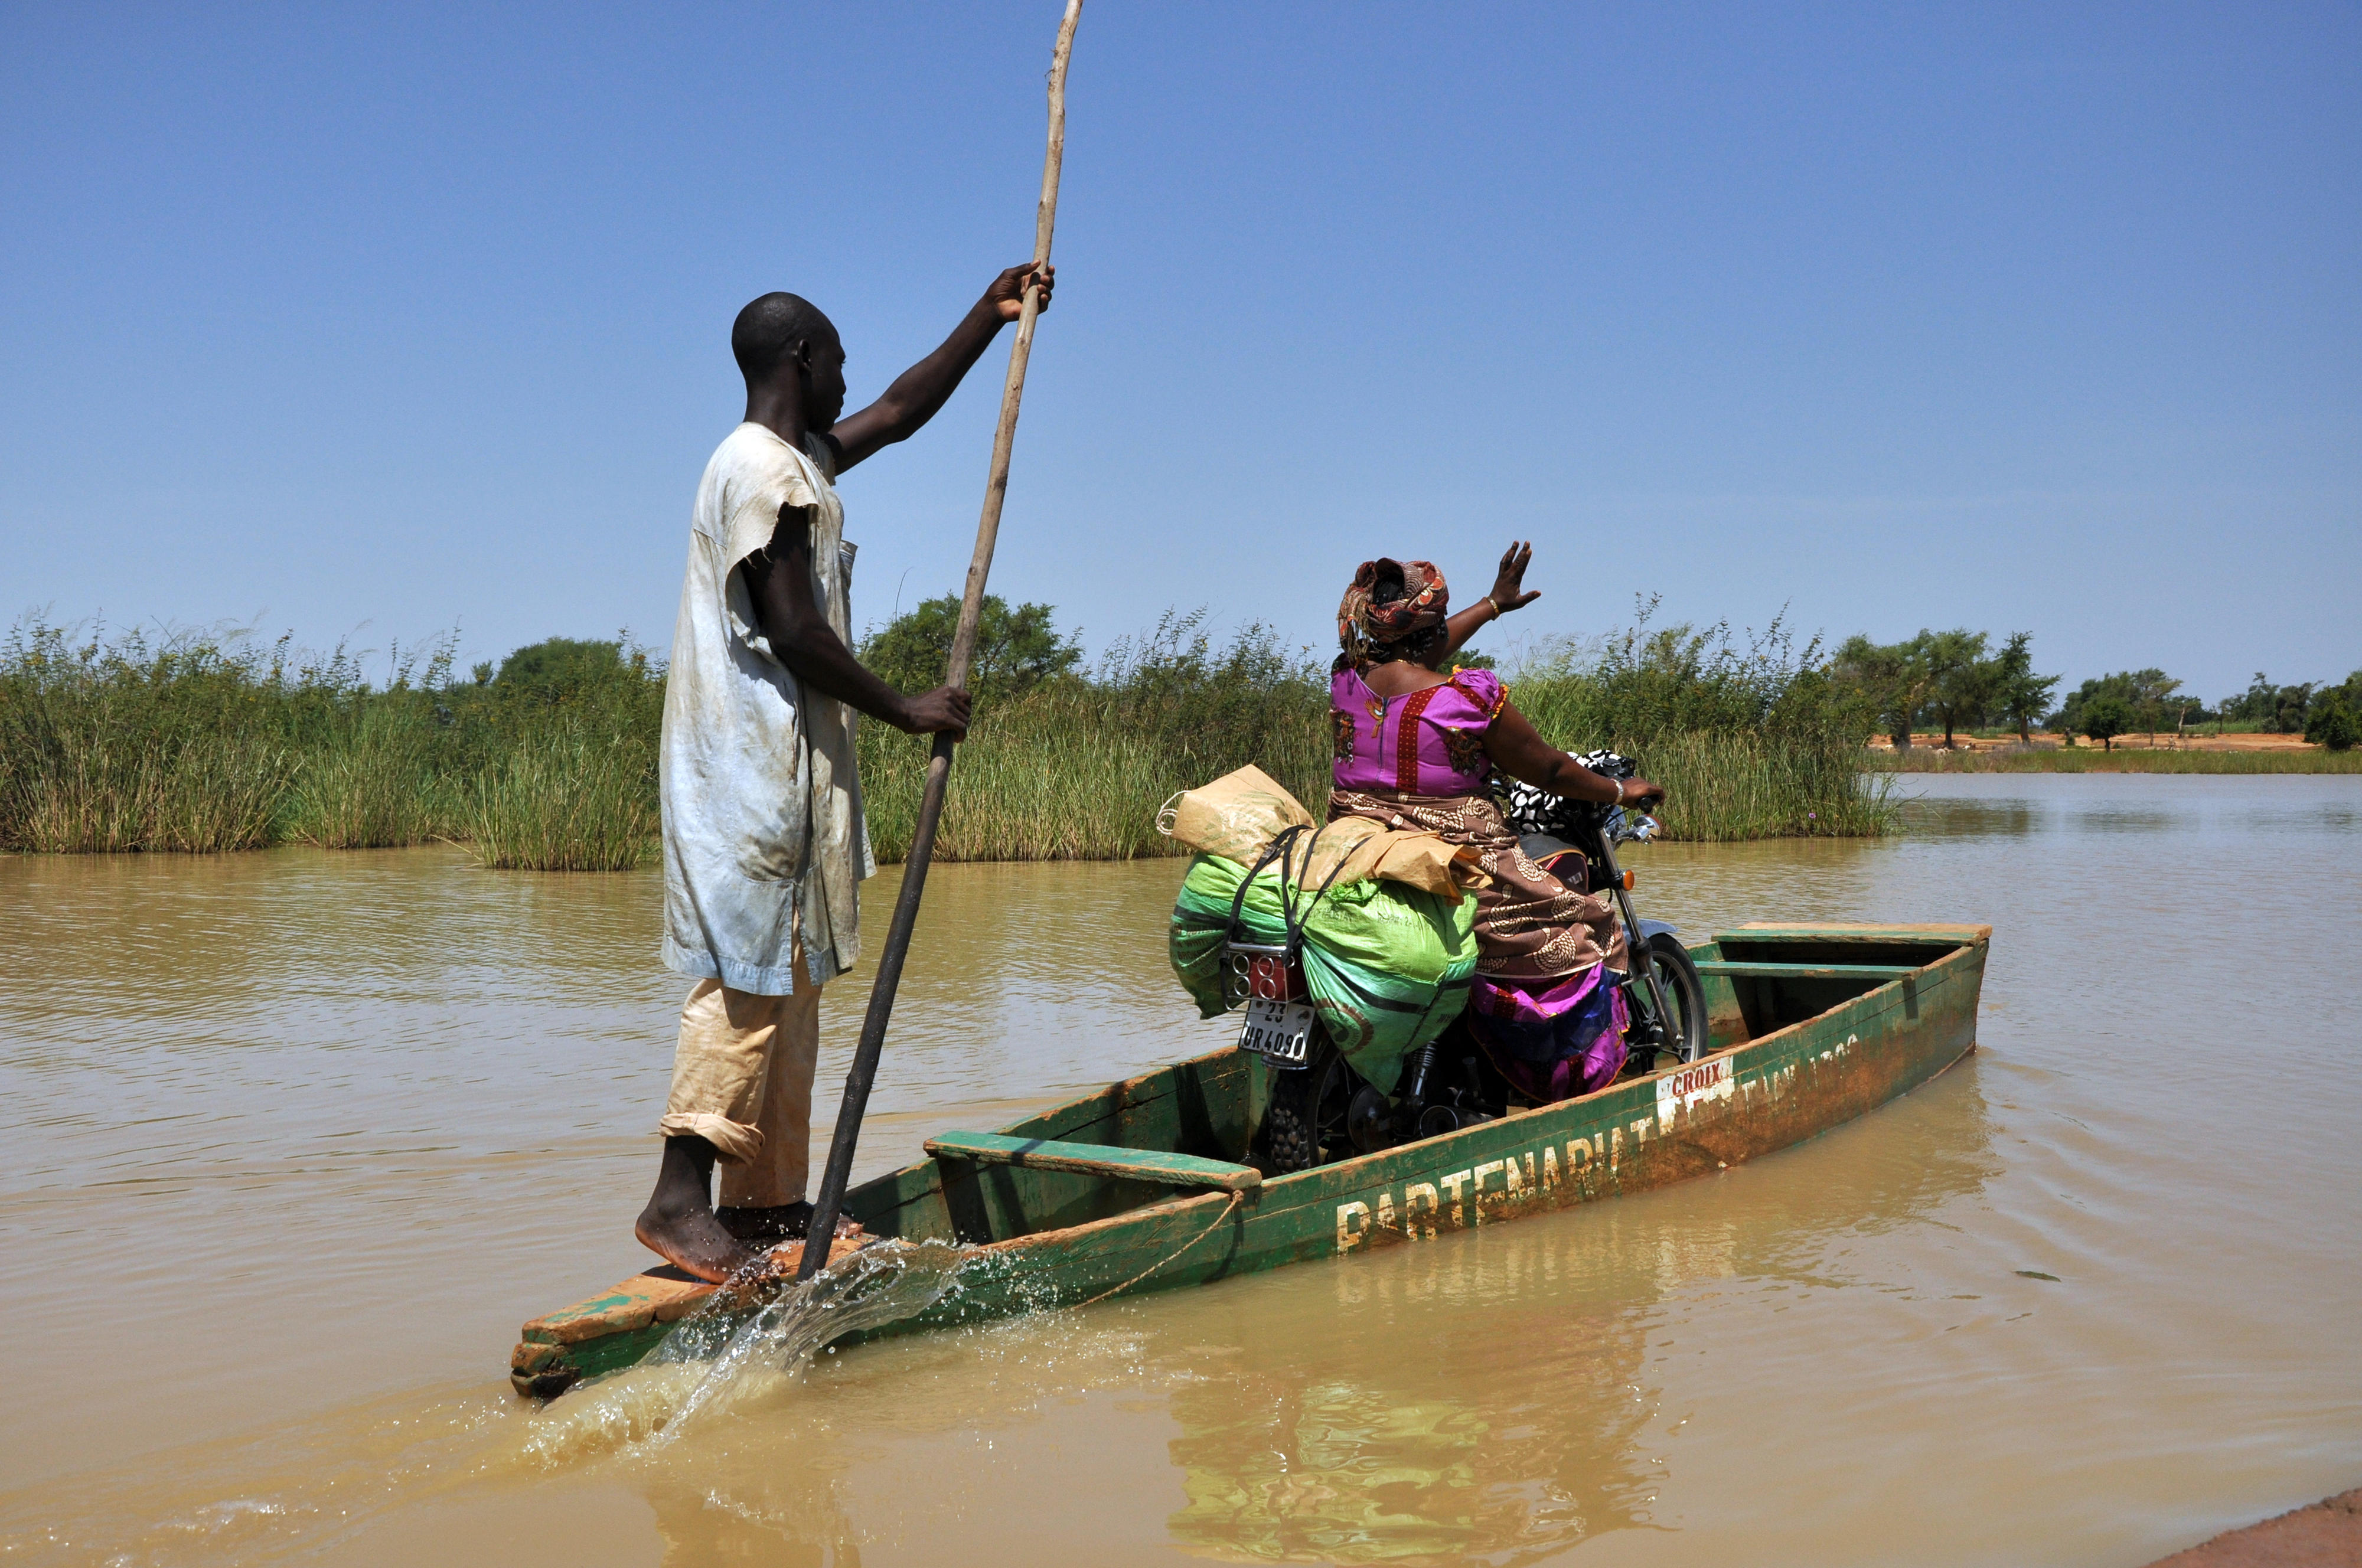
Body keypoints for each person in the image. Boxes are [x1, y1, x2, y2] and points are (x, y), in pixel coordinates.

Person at [637, 262, 1055, 1283]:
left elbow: (901, 414)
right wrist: (907, 708)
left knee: (791, 985)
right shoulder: (760, 472)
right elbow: (794, 630)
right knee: (741, 985)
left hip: (789, 777)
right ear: (801, 358)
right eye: (837, 363)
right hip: (747, 776)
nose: (845, 381)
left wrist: (990, 317)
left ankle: (772, 1203)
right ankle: (678, 1201)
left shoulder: (800, 460)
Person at [1326, 547, 1667, 1103]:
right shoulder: (1468, 696)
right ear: (1430, 624)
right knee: (1588, 926)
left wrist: (1492, 605)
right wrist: (1618, 789)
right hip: (1457, 862)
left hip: (1359, 849)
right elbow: (1551, 768)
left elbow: (1415, 658)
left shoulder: (1346, 681)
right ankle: (1569, 1080)